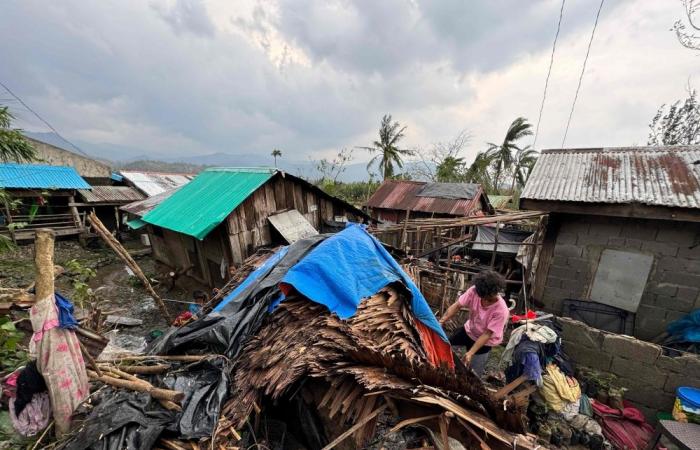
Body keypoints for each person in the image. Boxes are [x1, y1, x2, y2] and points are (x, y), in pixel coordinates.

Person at [439, 270, 509, 377]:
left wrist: (470, 353)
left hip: (484, 341)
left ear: (495, 292)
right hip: (469, 330)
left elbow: (487, 334)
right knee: (444, 347)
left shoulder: (501, 310)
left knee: (474, 374)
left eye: (489, 297)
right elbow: (458, 305)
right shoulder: (474, 291)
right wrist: (441, 321)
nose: (485, 300)